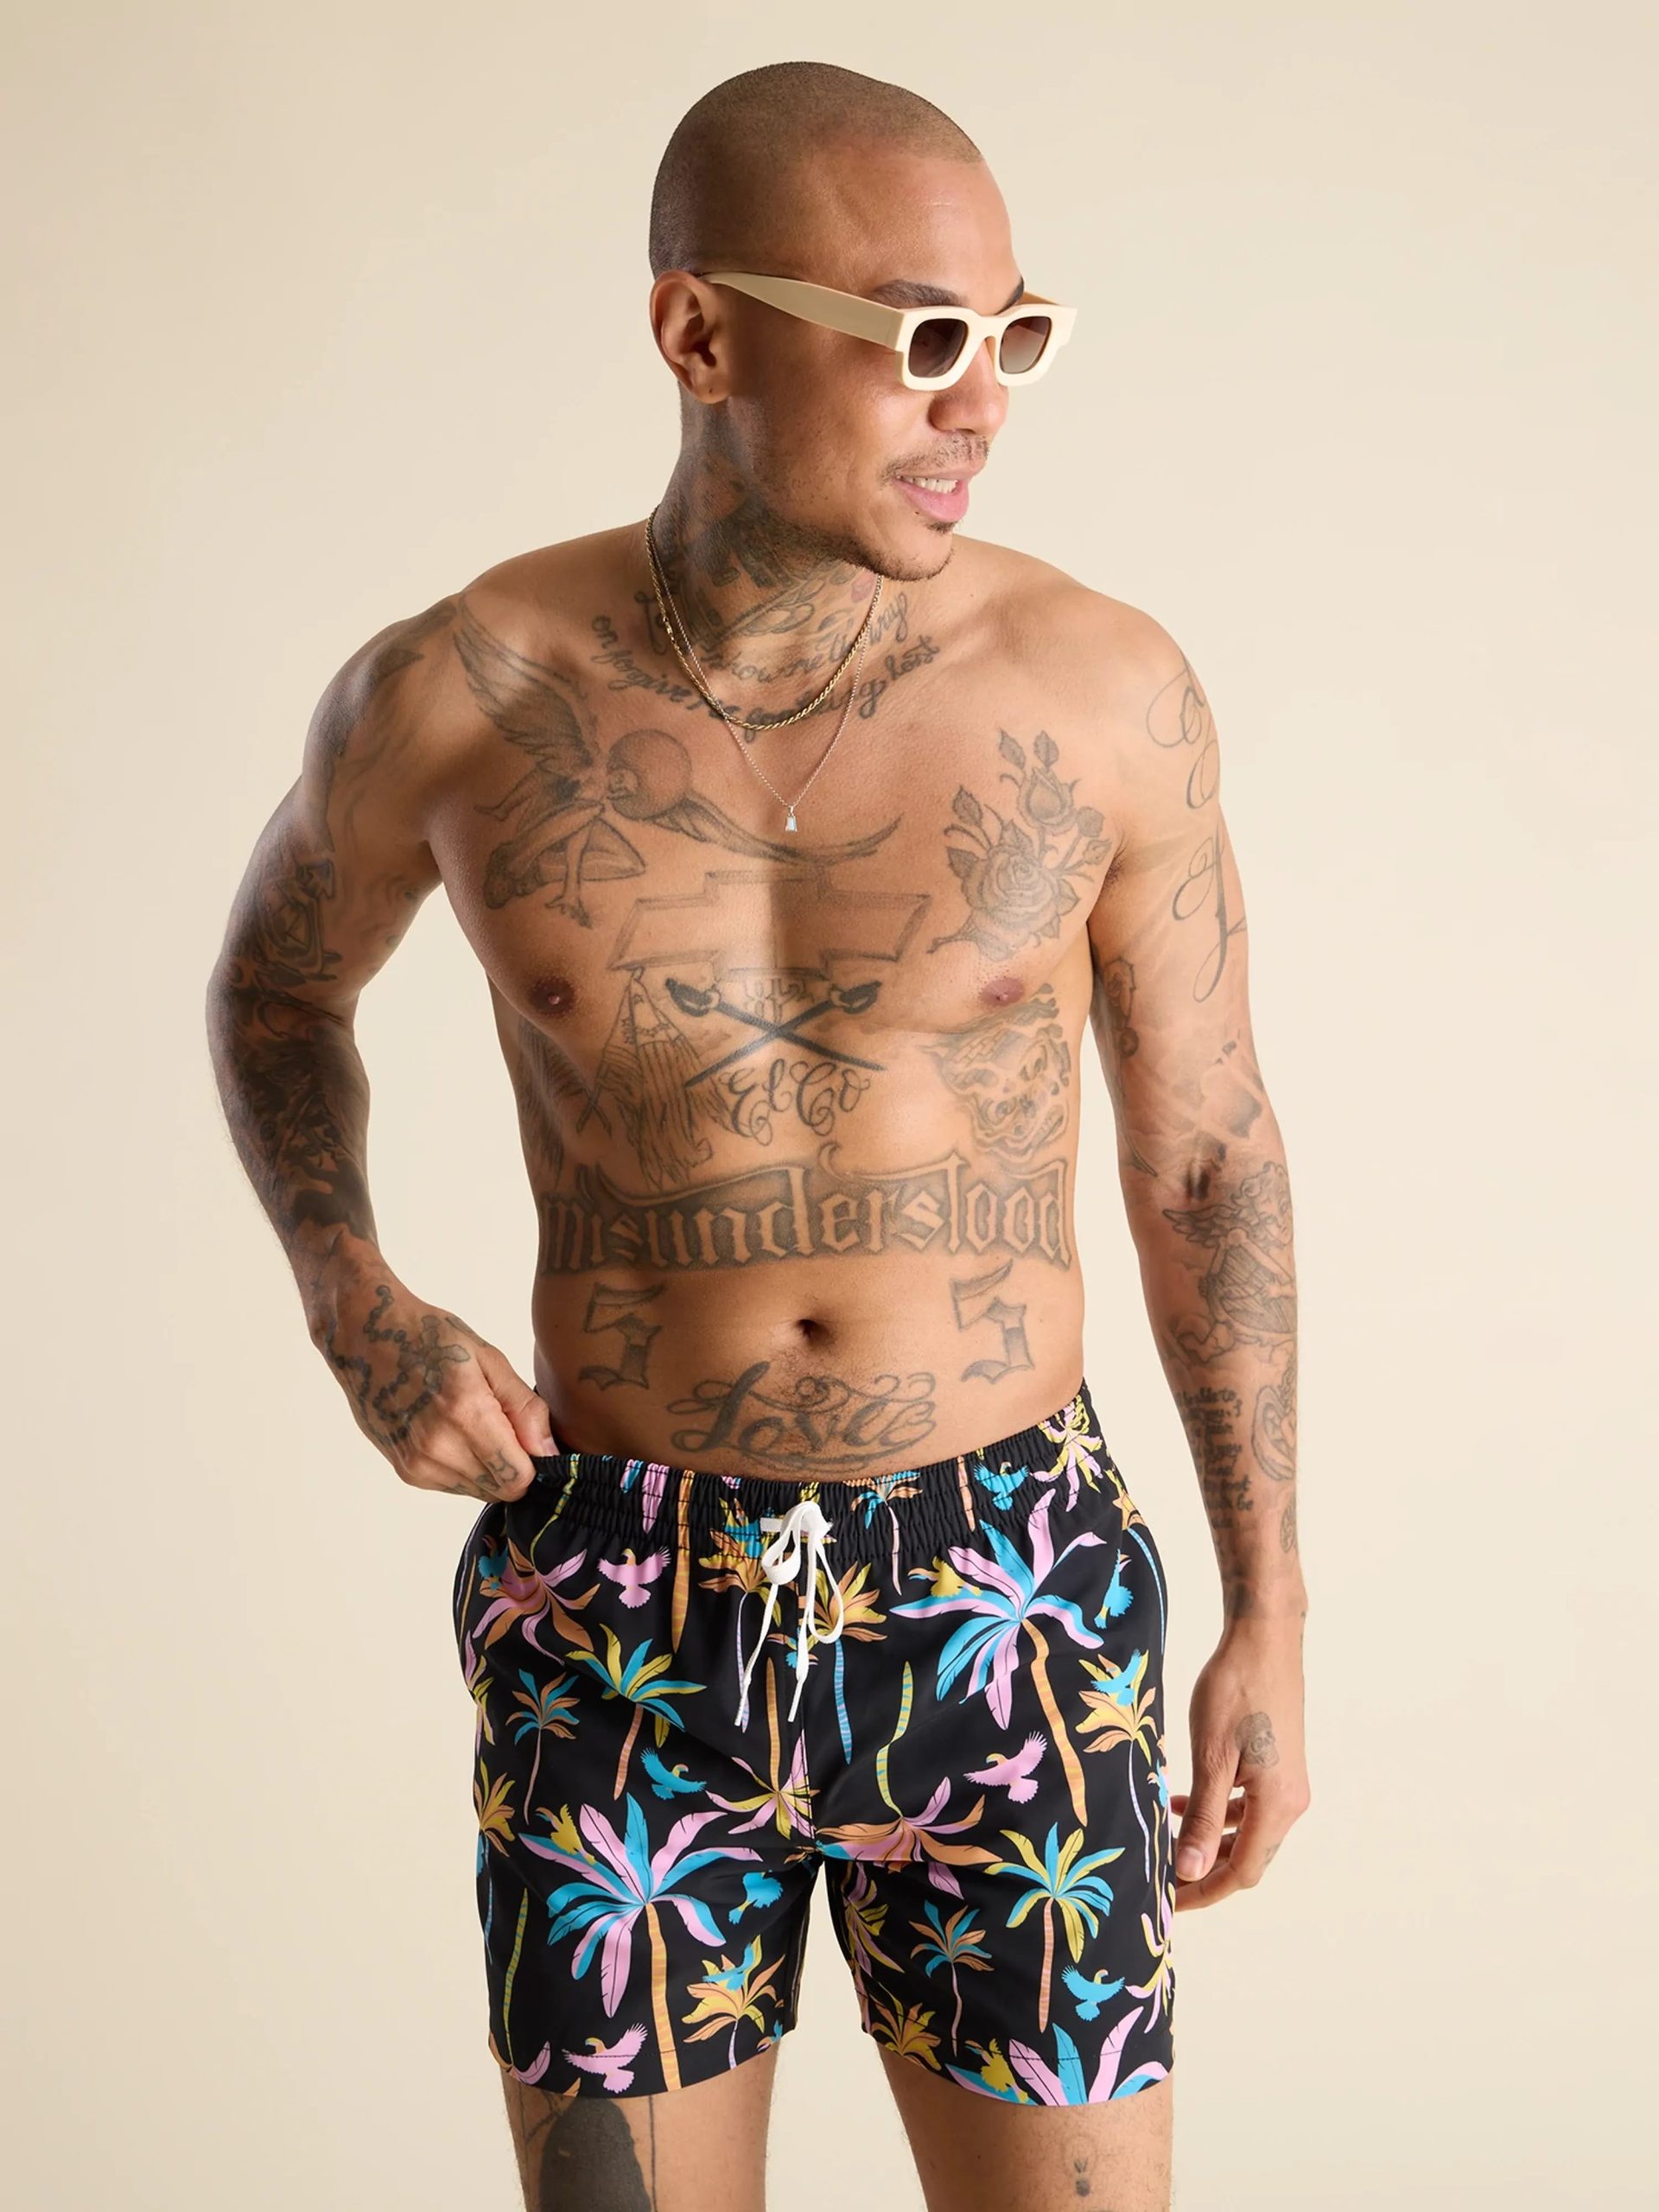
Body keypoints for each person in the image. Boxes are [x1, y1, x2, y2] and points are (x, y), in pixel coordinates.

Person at [205, 56, 1307, 2212]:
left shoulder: (1100, 693)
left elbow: (1207, 1158)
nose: (979, 401)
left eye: (1015, 334)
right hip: (617, 1595)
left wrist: (1269, 1609)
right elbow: (274, 986)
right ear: (700, 331)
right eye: (920, 335)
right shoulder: (463, 690)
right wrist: (352, 1296)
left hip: (1005, 1589)